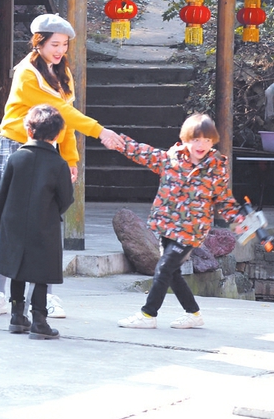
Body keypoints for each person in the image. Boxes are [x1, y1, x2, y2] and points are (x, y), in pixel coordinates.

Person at [0, 13, 115, 318]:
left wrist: (70, 159)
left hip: (49, 149)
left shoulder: (63, 73)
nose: (60, 50)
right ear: (38, 43)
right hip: (17, 147)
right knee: (6, 224)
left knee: (48, 225)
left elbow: (63, 122)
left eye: (64, 45)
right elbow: (63, 113)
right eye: (55, 44)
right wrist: (99, 131)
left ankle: (46, 297)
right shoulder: (26, 73)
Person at [101, 113, 244, 329]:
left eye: (207, 140)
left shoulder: (216, 167)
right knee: (172, 273)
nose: (201, 145)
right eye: (196, 139)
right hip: (167, 226)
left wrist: (237, 219)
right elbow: (144, 153)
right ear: (186, 139)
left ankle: (148, 314)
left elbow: (224, 199)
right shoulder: (171, 159)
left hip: (191, 231)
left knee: (163, 267)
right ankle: (193, 313)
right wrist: (120, 143)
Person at [0, 105, 74, 340]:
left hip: (13, 222)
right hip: (44, 224)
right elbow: (66, 198)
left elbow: (2, 192)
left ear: (28, 131)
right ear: (57, 135)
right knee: (41, 272)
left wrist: (1, 223)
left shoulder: (16, 158)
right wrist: (53, 212)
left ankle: (16, 316)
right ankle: (39, 320)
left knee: (17, 269)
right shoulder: (59, 164)